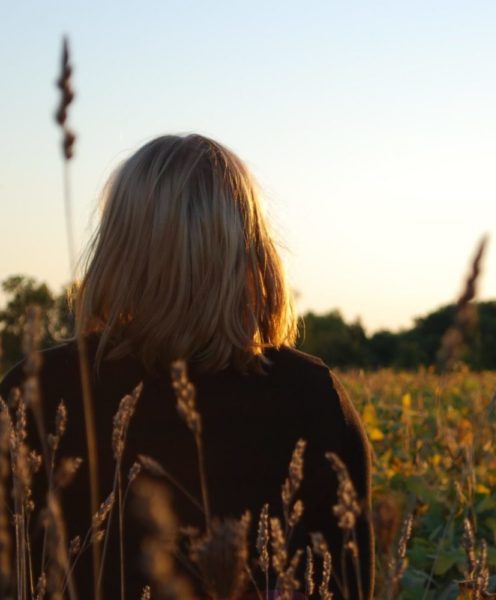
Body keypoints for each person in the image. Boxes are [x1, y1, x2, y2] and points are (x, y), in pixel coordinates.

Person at [0, 134, 374, 599]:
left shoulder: (35, 390)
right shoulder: (312, 398)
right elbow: (344, 584)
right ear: (250, 247)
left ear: (117, 247)